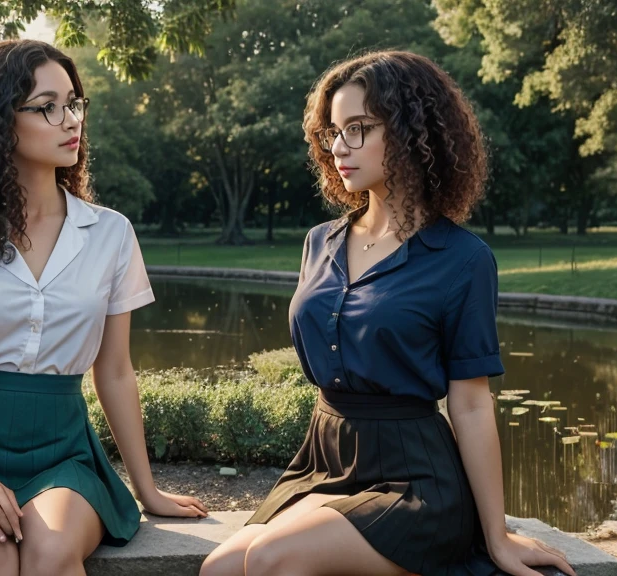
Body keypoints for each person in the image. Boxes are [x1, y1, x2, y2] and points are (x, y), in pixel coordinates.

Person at [200, 51, 576, 576]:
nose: (338, 148)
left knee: (270, 560)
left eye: (358, 129)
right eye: (333, 131)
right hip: (323, 460)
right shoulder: (320, 242)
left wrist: (497, 535)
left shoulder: (464, 260)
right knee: (217, 570)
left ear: (408, 132)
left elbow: (469, 405)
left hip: (415, 477)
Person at [0, 39, 208, 576]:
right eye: (48, 106)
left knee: (50, 552)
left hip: (63, 454)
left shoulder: (111, 234)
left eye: (74, 103)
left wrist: (148, 490)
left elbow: (115, 371)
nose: (70, 119)